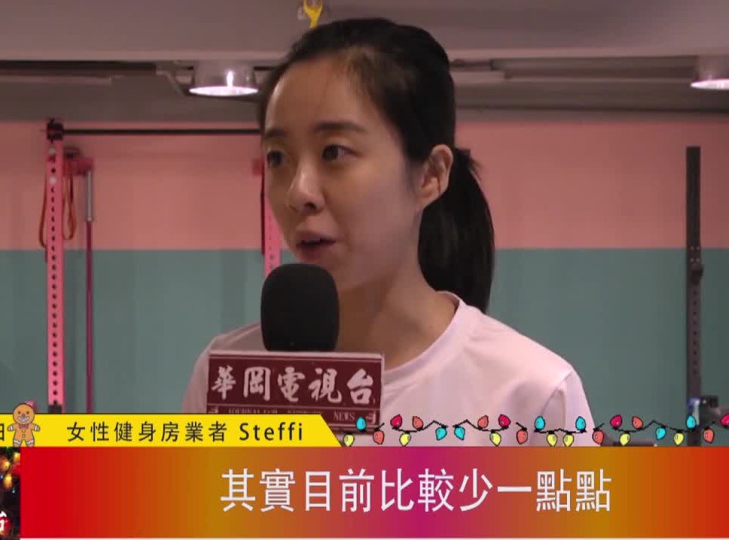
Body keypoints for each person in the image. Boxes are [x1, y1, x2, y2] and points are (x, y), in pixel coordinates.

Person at [182, 17, 594, 446]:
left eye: (333, 152)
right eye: (277, 157)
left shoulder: (532, 398)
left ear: (430, 175)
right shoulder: (225, 377)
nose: (298, 192)